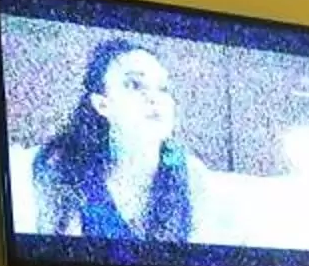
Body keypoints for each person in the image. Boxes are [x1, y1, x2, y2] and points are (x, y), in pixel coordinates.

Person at [30, 39, 196, 244]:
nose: (154, 97)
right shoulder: (66, 171)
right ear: (102, 104)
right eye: (134, 84)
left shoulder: (193, 178)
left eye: (163, 88)